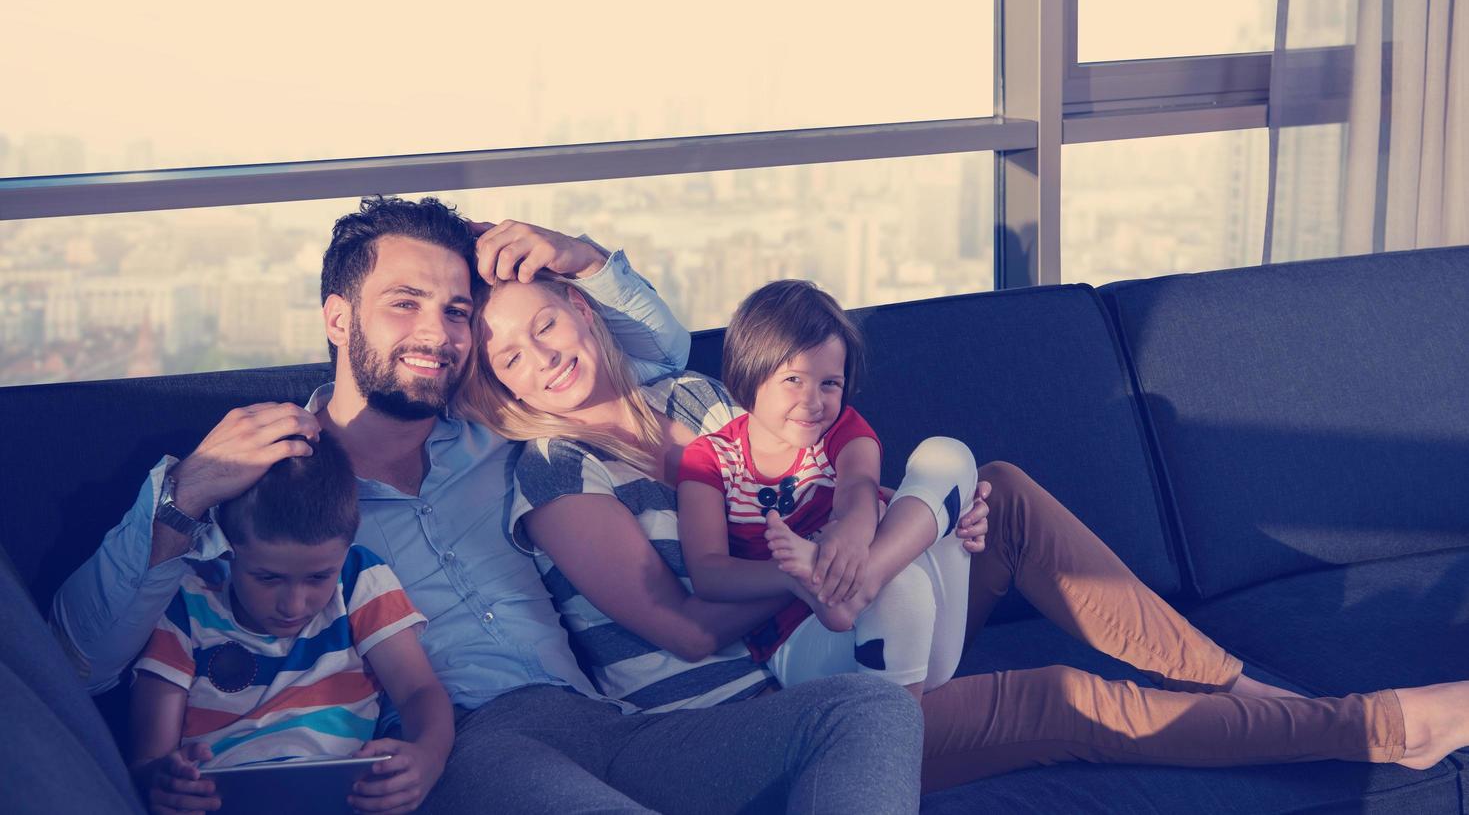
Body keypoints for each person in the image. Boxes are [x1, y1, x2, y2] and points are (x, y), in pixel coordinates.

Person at [51, 196, 925, 815]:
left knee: (869, 711)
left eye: (457, 310)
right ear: (335, 317)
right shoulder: (269, 485)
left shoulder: (502, 435)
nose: (437, 331)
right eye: (404, 304)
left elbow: (652, 358)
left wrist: (580, 258)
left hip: (610, 724)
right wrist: (183, 490)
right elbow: (83, 657)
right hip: (460, 750)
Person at [465, 267, 1469, 794]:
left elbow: (832, 470)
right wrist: (829, 569)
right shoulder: (552, 470)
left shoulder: (692, 393)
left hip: (847, 619)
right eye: (504, 351)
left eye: (543, 321)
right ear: (496, 379)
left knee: (995, 488)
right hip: (758, 716)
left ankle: (1231, 685)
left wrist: (915, 530)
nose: (534, 355)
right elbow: (684, 629)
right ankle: (1375, 726)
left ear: (580, 312)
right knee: (1058, 700)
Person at [676, 280, 978, 701]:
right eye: (794, 379)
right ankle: (895, 736)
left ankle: (864, 582)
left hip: (923, 633)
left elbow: (858, 486)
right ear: (750, 372)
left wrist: (852, 536)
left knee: (948, 454)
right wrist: (798, 576)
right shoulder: (709, 458)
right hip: (805, 645)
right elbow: (709, 573)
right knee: (901, 585)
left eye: (829, 384)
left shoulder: (842, 428)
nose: (812, 401)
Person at [129, 431, 452, 815]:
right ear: (226, 547)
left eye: (318, 578)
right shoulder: (187, 603)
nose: (294, 605)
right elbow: (149, 759)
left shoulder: (360, 580)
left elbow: (419, 692)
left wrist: (427, 758)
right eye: (268, 578)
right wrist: (165, 783)